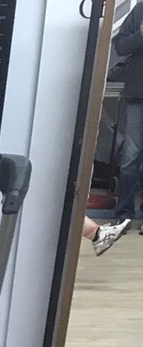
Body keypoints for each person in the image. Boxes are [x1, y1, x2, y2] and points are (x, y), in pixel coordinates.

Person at [111, 3, 143, 226]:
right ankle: (124, 214)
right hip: (137, 93)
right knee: (130, 157)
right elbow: (120, 47)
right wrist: (140, 34)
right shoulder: (140, 9)